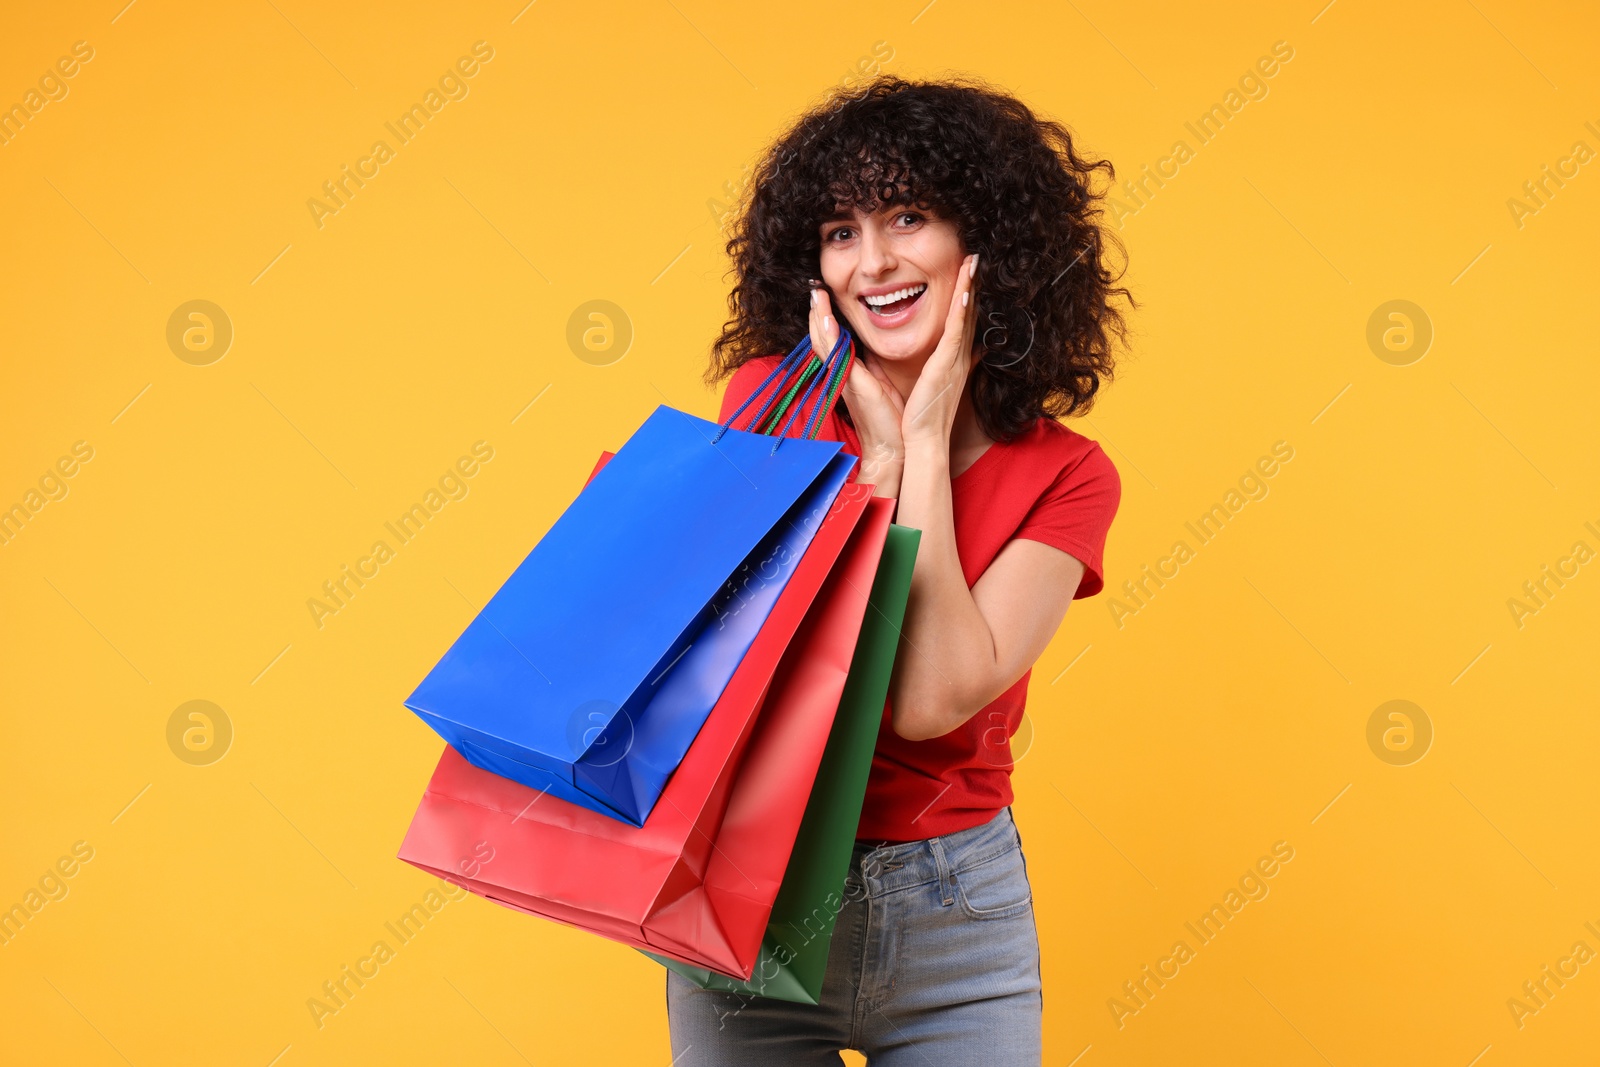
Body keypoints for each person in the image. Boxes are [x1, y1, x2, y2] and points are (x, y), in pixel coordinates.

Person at [669, 75, 1132, 1066]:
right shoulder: (765, 404)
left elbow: (927, 700)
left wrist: (918, 444)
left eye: (908, 217)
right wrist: (872, 461)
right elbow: (736, 661)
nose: (873, 260)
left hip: (955, 914)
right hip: (754, 892)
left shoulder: (1068, 476)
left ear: (987, 244)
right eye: (839, 230)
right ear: (812, 265)